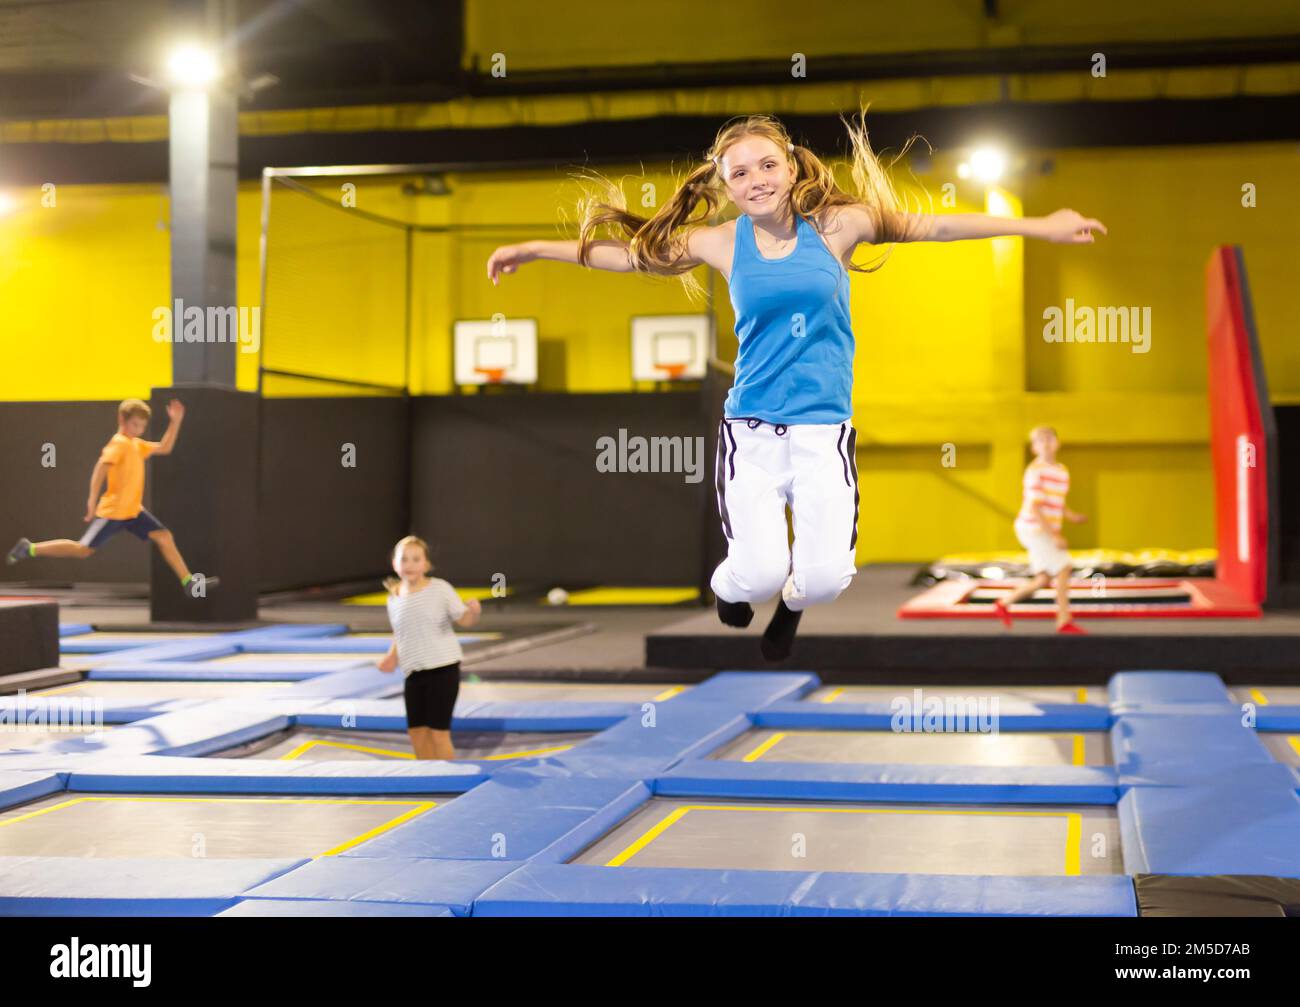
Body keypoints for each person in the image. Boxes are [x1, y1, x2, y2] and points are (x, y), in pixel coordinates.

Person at [485, 111, 1106, 660]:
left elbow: (936, 227)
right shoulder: (723, 241)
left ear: (790, 166)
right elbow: (630, 257)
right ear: (723, 184)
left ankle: (791, 606)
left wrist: (1039, 227)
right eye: (738, 174)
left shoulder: (839, 224)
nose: (755, 180)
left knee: (824, 579)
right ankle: (732, 591)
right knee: (753, 575)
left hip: (822, 432)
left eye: (766, 165)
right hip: (752, 431)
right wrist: (535, 248)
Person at [6, 397, 216, 594]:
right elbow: (100, 469)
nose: (139, 430)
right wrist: (91, 500)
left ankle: (188, 583)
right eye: (135, 425)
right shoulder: (119, 443)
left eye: (142, 426)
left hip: (133, 511)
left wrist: (175, 421)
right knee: (83, 550)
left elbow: (165, 447)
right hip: (114, 512)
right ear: (121, 420)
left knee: (164, 537)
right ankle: (30, 548)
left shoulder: (136, 444)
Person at [377, 534, 482, 760]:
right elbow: (400, 631)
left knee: (438, 733)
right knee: (416, 731)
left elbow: (462, 619)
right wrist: (391, 656)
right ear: (395, 564)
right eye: (404, 559)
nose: (410, 565)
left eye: (416, 559)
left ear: (426, 564)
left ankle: (448, 779)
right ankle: (427, 774)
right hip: (413, 671)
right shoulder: (394, 597)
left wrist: (472, 613)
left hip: (443, 669)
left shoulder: (440, 589)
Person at [994, 426, 1088, 633]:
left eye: (1049, 438)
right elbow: (1035, 506)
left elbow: (1057, 501)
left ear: (1057, 443)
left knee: (1044, 579)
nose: (1045, 443)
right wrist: (1054, 535)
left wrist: (1071, 516)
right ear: (1034, 448)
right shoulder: (1034, 472)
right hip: (1032, 527)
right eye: (1040, 440)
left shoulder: (1062, 471)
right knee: (1064, 567)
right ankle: (1064, 619)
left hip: (1041, 528)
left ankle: (1004, 602)